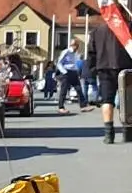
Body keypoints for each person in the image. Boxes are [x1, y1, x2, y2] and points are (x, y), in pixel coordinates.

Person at [87, 11, 132, 144]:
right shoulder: (128, 28)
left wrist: (93, 70)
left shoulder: (97, 31)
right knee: (127, 101)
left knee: (107, 101)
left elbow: (91, 53)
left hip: (105, 69)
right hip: (127, 68)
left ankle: (109, 133)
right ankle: (127, 131)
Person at [56, 38, 89, 112]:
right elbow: (59, 63)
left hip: (74, 72)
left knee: (79, 89)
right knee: (63, 90)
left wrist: (76, 71)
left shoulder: (75, 53)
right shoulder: (66, 52)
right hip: (66, 72)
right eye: (76, 46)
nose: (77, 47)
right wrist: (64, 72)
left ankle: (83, 106)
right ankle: (61, 107)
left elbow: (75, 63)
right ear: (73, 45)